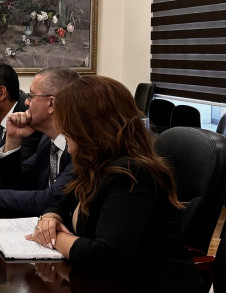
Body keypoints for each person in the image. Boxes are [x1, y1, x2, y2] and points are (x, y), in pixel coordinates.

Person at [27, 76, 205, 293]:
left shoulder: (131, 174)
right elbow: (61, 204)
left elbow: (105, 254)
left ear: (87, 126)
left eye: (66, 122)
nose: (62, 130)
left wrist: (54, 238)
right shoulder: (94, 164)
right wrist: (49, 218)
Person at [0, 67, 79, 215]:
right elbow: (13, 184)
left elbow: (50, 199)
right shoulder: (47, 141)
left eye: (31, 96)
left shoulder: (80, 148)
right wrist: (13, 140)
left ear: (51, 104)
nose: (26, 102)